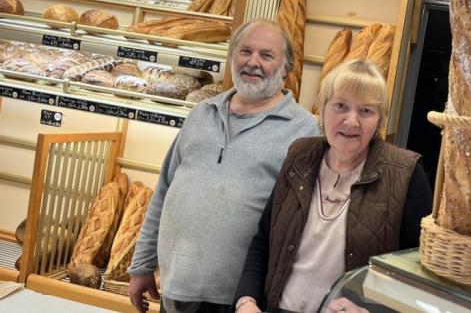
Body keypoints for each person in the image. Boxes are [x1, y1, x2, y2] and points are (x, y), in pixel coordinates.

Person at [128, 19, 320, 313]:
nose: (253, 62)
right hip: (176, 289)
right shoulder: (201, 113)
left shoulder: (305, 131)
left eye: (266, 55)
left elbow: (303, 227)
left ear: (286, 67)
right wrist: (141, 264)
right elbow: (164, 191)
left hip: (242, 301)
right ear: (232, 57)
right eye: (245, 51)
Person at [234, 59, 433, 313]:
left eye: (366, 111)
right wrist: (246, 300)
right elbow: (263, 240)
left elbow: (420, 271)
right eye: (340, 106)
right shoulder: (299, 157)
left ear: (379, 120)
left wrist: (371, 311)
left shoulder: (405, 173)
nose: (351, 121)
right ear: (322, 108)